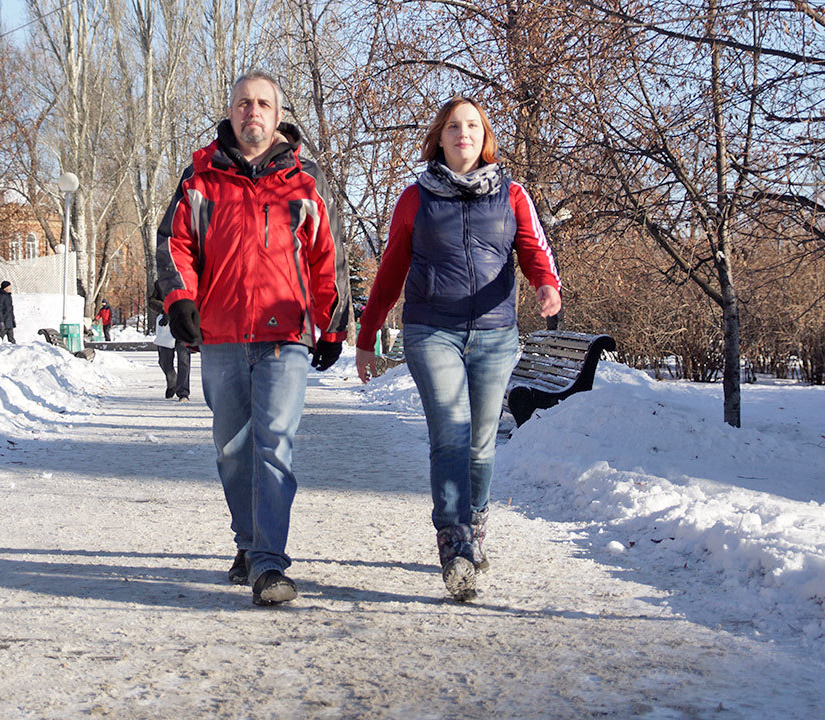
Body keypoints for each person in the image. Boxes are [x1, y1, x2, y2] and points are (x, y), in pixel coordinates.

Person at [355, 97, 561, 602]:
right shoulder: (415, 198)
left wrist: (545, 284)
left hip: (495, 333)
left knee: (481, 442)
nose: (463, 133)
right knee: (450, 435)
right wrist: (367, 334)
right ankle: (454, 544)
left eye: (472, 125)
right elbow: (390, 271)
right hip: (433, 331)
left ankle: (475, 526)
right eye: (453, 126)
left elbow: (533, 248)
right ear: (440, 138)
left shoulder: (512, 194)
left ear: (483, 136)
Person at [156, 70, 350, 606]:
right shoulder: (200, 179)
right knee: (233, 451)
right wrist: (180, 299)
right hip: (220, 335)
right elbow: (174, 243)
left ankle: (268, 563)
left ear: (277, 113)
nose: (252, 112)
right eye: (243, 103)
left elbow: (326, 257)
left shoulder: (305, 181)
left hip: (284, 335)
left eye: (263, 103)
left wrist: (333, 322)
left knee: (275, 447)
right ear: (231, 111)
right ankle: (249, 542)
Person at [154, 312, 191, 401]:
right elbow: (152, 301)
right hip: (165, 326)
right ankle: (172, 382)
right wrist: (165, 311)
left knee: (184, 361)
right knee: (164, 361)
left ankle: (183, 393)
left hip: (183, 324)